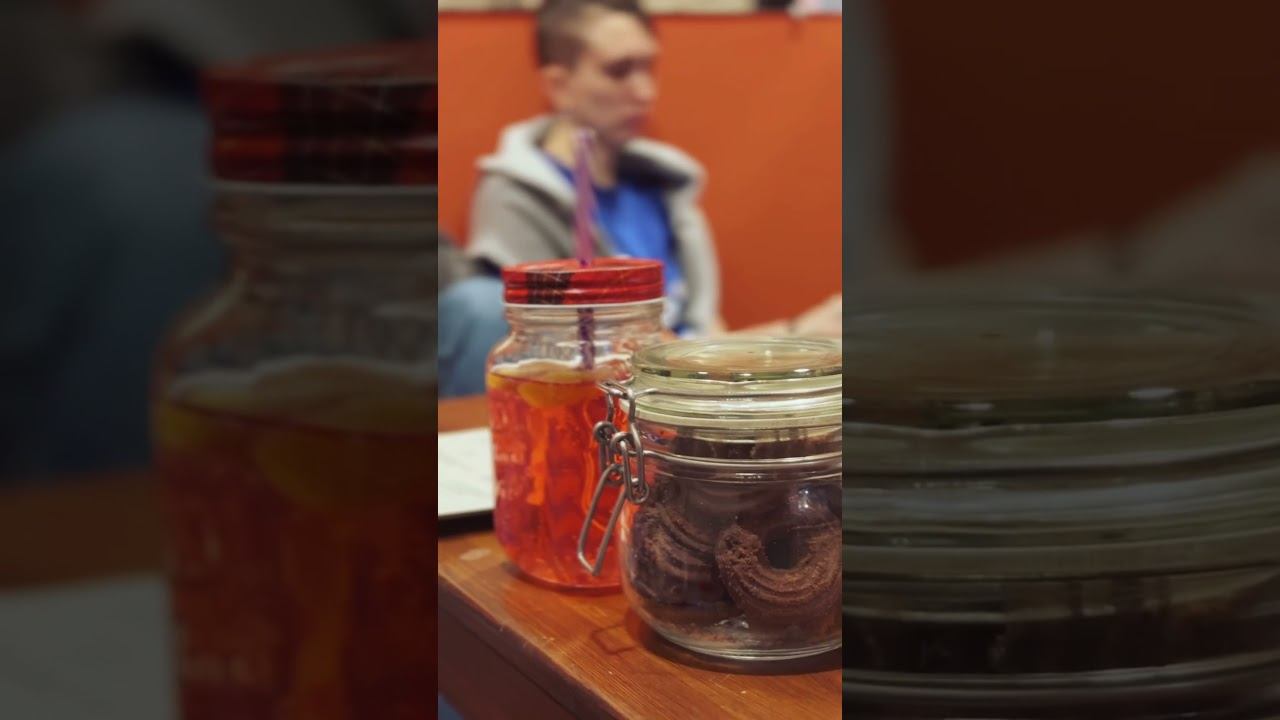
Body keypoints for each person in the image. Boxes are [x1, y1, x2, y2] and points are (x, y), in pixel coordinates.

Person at [439, 0, 840, 396]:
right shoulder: (516, 200)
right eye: (619, 71)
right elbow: (566, 365)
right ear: (558, 86)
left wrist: (802, 337)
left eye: (649, 68)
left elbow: (703, 332)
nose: (645, 92)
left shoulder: (664, 189)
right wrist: (792, 335)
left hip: (688, 395)